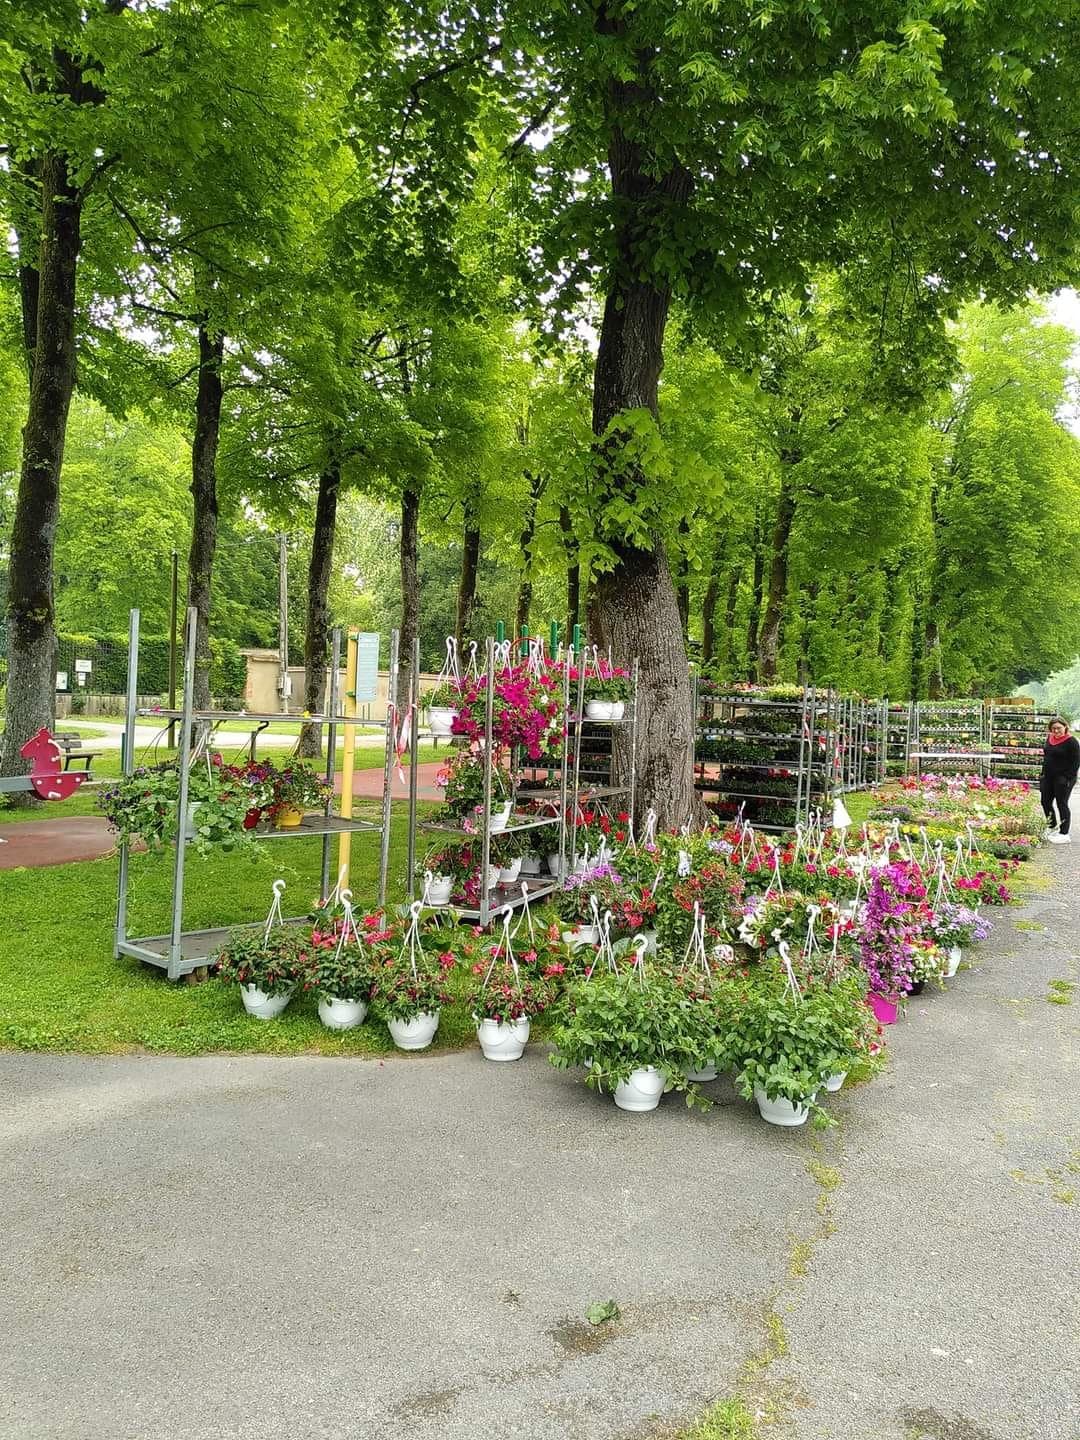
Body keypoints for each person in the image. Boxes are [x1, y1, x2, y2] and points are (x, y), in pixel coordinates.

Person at [1040, 716, 1080, 844]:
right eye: (1053, 728)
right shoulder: (1050, 738)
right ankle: (1052, 827)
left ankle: (1064, 833)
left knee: (1061, 803)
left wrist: (1067, 777)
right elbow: (1047, 756)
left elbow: (1076, 761)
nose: (1056, 731)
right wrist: (1042, 774)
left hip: (1063, 778)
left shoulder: (1071, 741)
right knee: (1045, 802)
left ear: (1065, 727)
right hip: (1048, 777)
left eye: (1058, 728)